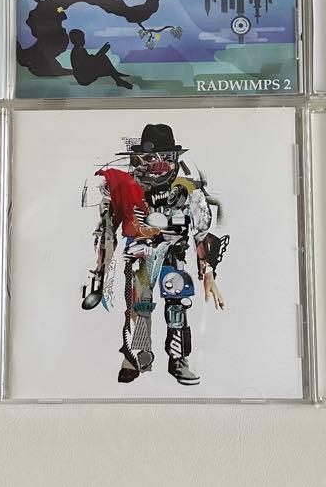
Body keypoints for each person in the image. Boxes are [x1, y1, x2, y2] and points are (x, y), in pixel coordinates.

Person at [85, 124, 228, 386]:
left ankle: (178, 358)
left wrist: (208, 272)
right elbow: (107, 231)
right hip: (140, 256)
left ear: (175, 159)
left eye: (166, 157)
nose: (158, 164)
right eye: (150, 157)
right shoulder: (125, 189)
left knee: (177, 305)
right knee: (140, 306)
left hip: (174, 255)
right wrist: (101, 272)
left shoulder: (189, 190)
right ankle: (140, 354)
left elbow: (202, 232)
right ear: (138, 159)